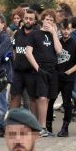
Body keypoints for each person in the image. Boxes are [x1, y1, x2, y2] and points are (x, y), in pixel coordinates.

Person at [25, 9, 62, 137]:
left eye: (52, 20)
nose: (49, 22)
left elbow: (58, 50)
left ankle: (43, 126)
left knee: (47, 99)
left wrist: (54, 33)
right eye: (47, 19)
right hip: (40, 68)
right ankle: (40, 126)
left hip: (52, 68)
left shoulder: (54, 34)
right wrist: (37, 69)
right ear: (42, 20)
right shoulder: (34, 34)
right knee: (41, 97)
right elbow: (28, 53)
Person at [47, 18, 76, 137]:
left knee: (67, 102)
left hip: (68, 78)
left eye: (68, 29)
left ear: (72, 29)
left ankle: (65, 127)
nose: (66, 31)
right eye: (63, 28)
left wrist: (68, 72)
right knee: (50, 100)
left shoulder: (75, 44)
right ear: (60, 28)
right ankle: (48, 126)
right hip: (56, 77)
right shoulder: (57, 41)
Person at [10, 10, 37, 112]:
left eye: (30, 19)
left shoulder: (37, 34)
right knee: (15, 97)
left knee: (32, 98)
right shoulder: (18, 34)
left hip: (32, 72)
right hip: (18, 72)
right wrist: (15, 60)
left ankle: (33, 125)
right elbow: (13, 48)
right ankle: (11, 124)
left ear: (34, 21)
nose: (28, 21)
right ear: (23, 20)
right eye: (26, 18)